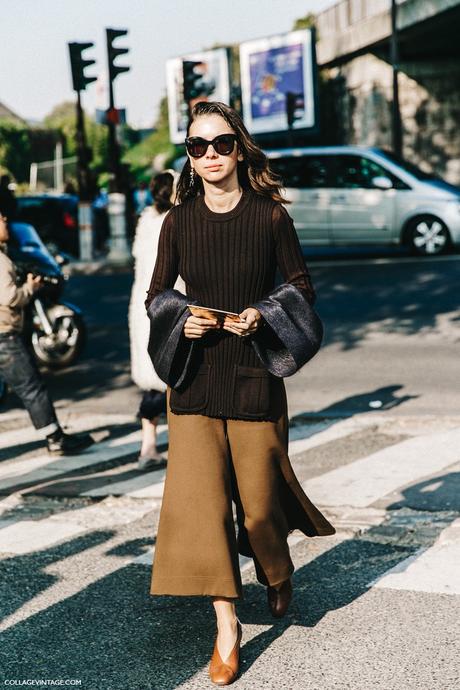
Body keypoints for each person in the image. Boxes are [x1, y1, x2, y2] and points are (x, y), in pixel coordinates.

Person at [145, 102, 335, 686]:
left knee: (258, 510)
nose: (208, 157)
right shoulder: (177, 222)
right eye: (196, 147)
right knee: (203, 510)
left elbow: (301, 287)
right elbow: (155, 296)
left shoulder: (271, 217)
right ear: (188, 156)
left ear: (240, 148)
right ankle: (226, 628)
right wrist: (184, 320)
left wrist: (262, 313)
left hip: (255, 378)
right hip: (195, 381)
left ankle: (276, 570)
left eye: (220, 144)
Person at [0, 212, 94, 456]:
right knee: (31, 386)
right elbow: (9, 297)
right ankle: (55, 439)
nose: (6, 222)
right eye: (1, 219)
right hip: (4, 335)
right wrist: (29, 288)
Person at [128, 172, 185, 470]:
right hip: (173, 305)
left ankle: (147, 447)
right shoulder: (178, 221)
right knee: (179, 377)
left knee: (153, 381)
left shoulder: (146, 222)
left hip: (142, 306)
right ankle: (183, 448)